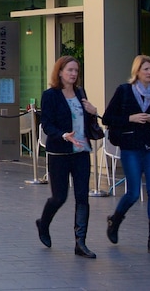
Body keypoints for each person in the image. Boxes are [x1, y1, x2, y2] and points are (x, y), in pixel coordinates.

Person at [102, 55, 150, 256]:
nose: (149, 73)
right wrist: (130, 118)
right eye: (146, 69)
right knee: (133, 192)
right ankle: (115, 219)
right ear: (137, 72)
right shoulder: (124, 91)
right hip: (130, 146)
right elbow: (108, 118)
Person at [36, 56, 99, 258]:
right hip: (59, 153)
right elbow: (47, 124)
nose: (73, 74)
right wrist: (63, 135)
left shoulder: (80, 93)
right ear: (60, 72)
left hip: (81, 152)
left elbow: (86, 120)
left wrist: (94, 112)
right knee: (59, 196)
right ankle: (43, 223)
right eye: (70, 70)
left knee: (82, 197)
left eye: (76, 70)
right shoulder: (50, 95)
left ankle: (80, 243)